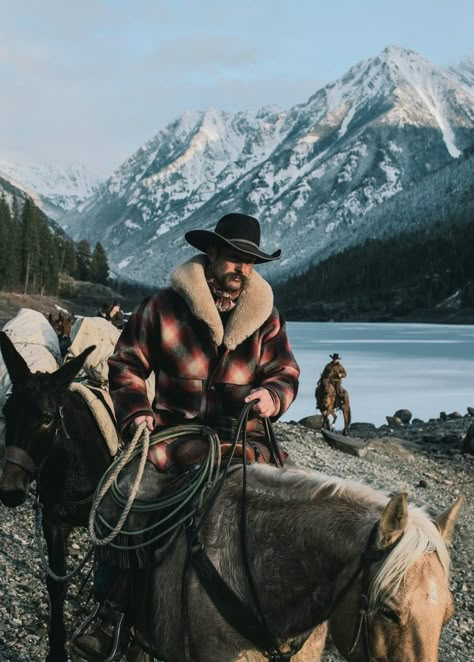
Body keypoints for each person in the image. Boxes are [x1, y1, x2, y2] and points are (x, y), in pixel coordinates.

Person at [73, 212, 300, 660]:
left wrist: (272, 397)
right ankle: (112, 614)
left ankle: (291, 621)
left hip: (243, 439)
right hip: (172, 437)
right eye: (234, 257)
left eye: (249, 262)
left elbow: (285, 372)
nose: (240, 269)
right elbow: (127, 366)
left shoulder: (266, 318)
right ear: (211, 254)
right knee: (129, 496)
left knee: (295, 509)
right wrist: (136, 412)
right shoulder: (162, 307)